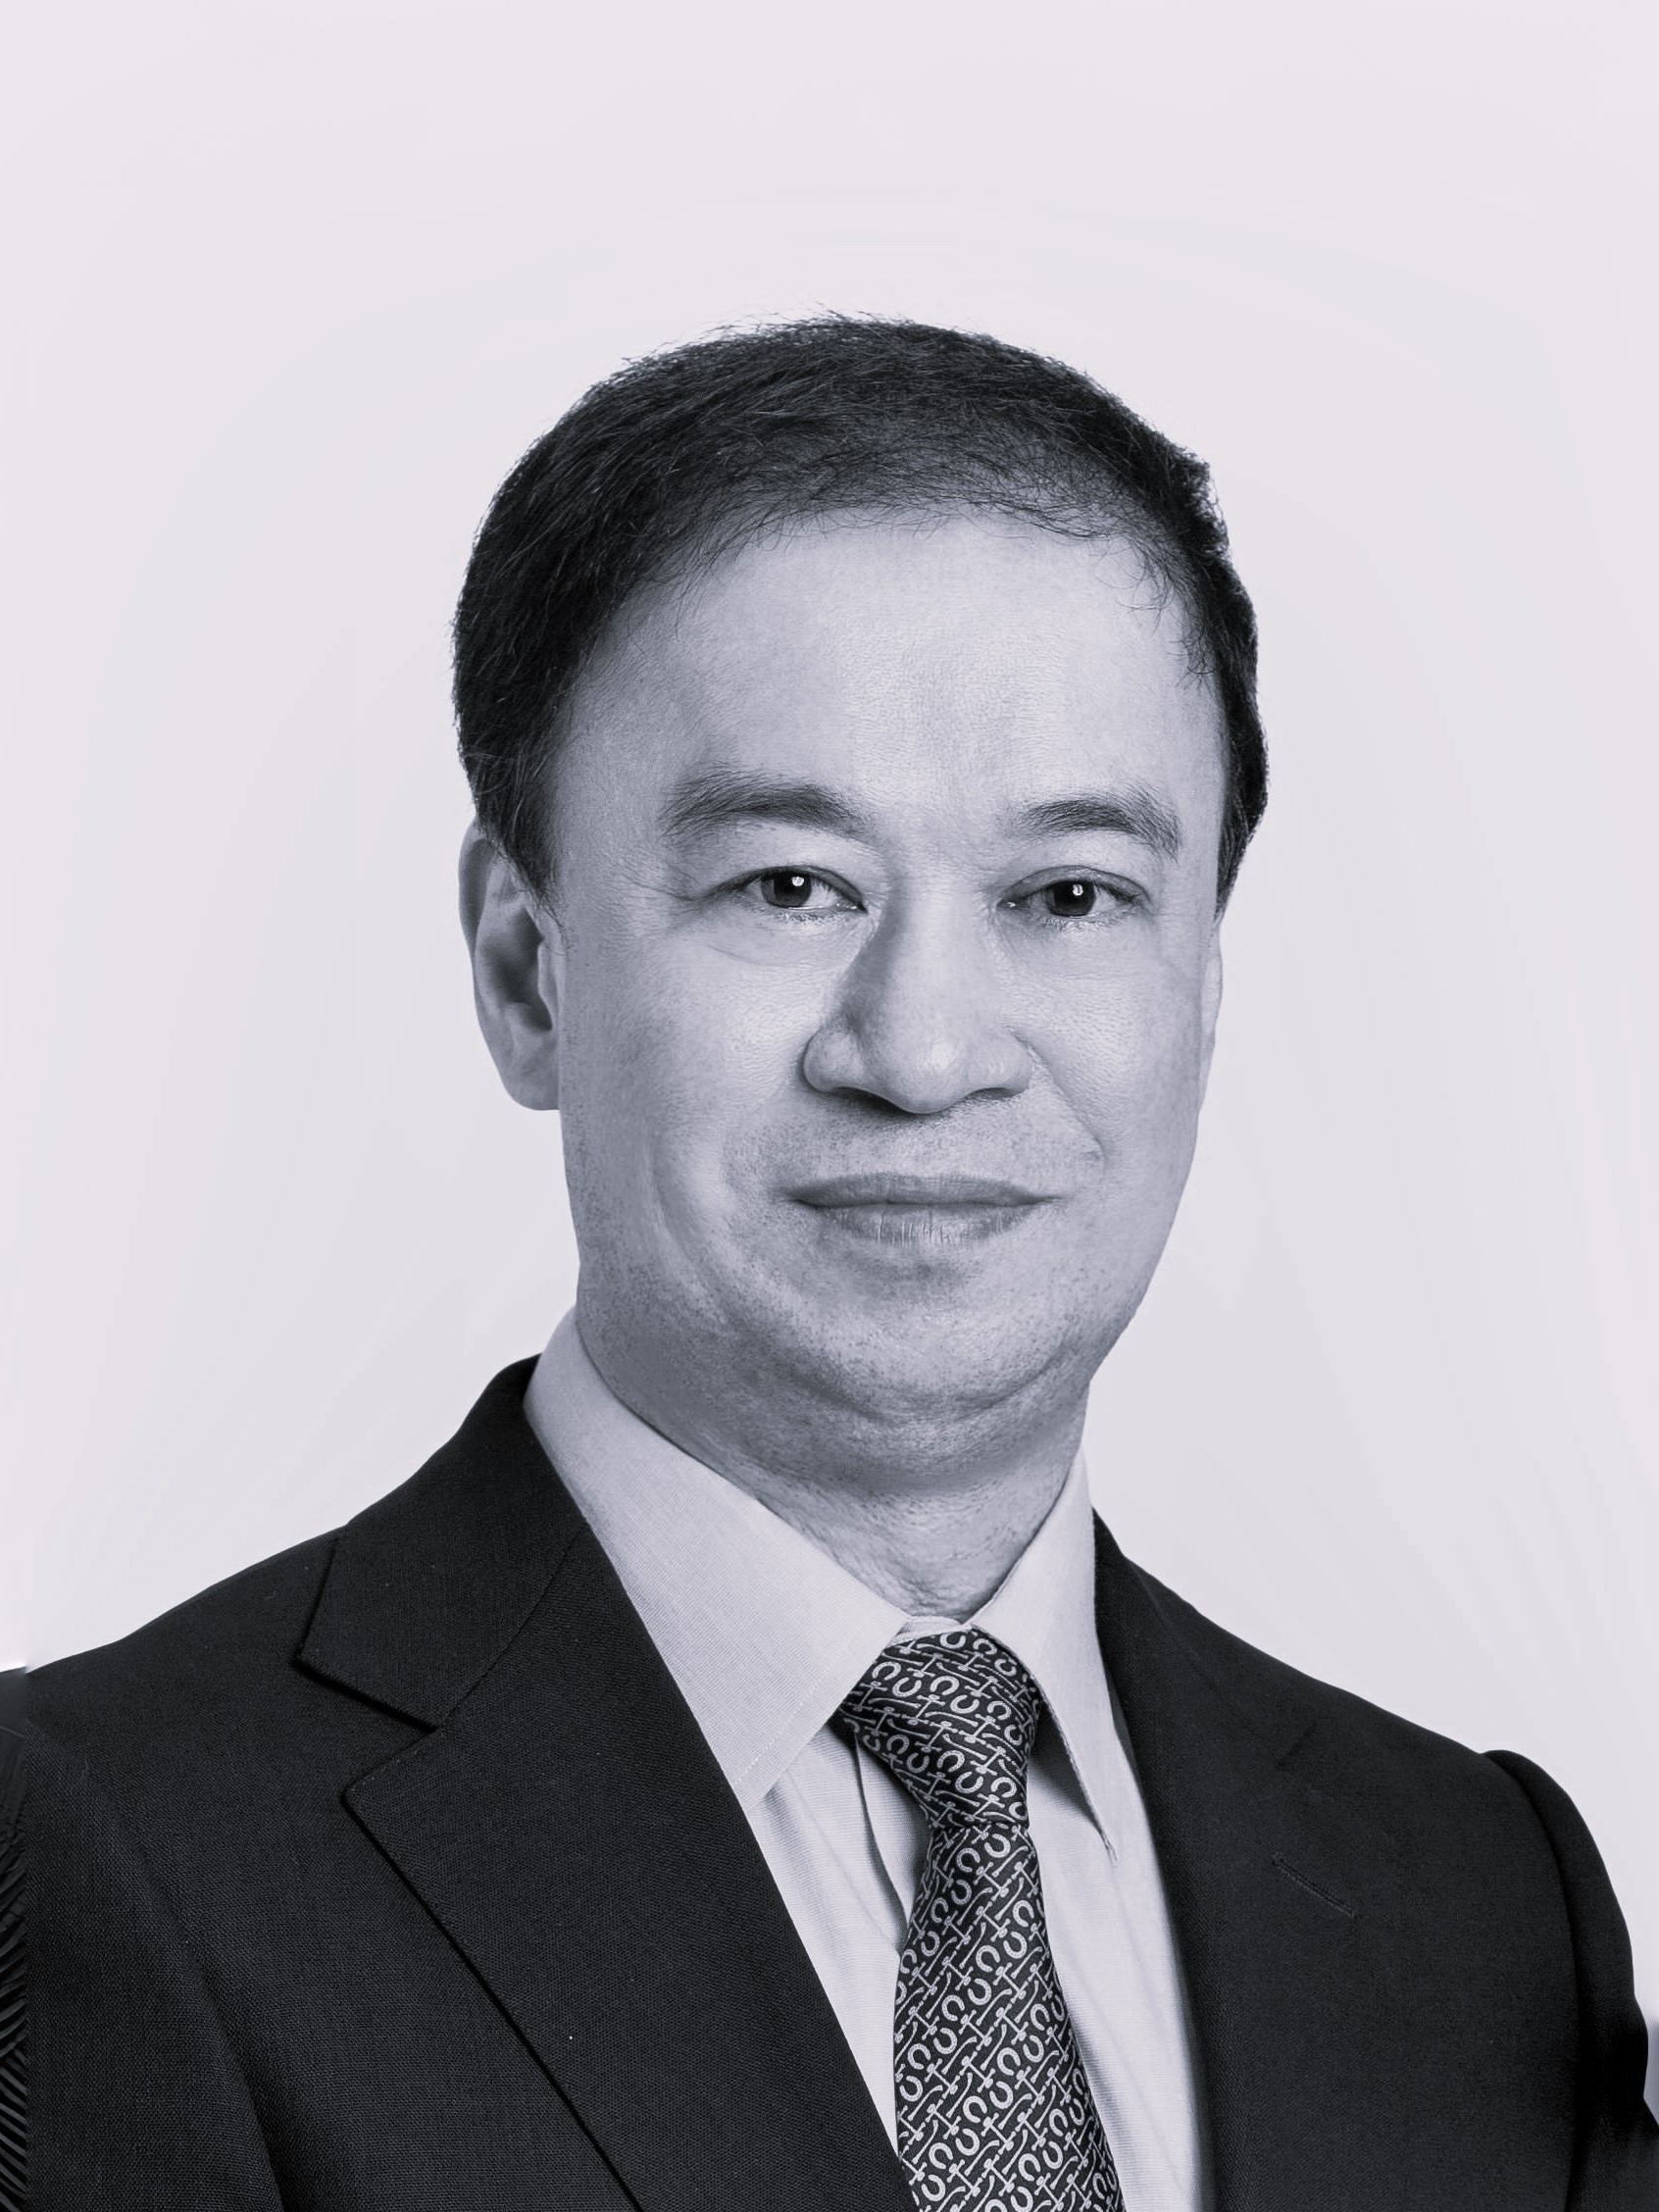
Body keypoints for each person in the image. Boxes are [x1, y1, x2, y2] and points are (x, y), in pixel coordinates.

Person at [28, 319, 1657, 2212]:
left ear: (1203, 988)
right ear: (526, 971)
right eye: (788, 886)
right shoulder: (88, 1852)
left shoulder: (1484, 1898)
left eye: (1070, 896)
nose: (926, 1049)